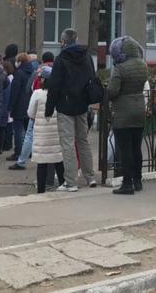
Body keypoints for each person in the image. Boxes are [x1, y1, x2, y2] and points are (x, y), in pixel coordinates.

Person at [46, 28, 97, 190]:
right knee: (83, 141)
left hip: (65, 105)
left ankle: (71, 181)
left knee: (67, 143)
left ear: (63, 41)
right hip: (82, 105)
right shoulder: (87, 57)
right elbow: (92, 77)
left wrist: (49, 109)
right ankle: (90, 177)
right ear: (76, 39)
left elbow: (54, 85)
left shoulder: (61, 59)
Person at [107, 36, 149, 195]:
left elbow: (112, 91)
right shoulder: (143, 65)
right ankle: (137, 181)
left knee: (125, 150)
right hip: (139, 109)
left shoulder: (120, 68)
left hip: (123, 112)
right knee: (136, 148)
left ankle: (127, 183)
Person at [11, 52, 55, 172]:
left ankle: (21, 161)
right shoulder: (58, 70)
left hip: (38, 107)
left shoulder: (38, 72)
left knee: (30, 135)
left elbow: (28, 88)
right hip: (54, 109)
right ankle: (53, 164)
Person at [28, 71, 64, 193]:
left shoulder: (37, 94)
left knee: (42, 162)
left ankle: (41, 190)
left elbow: (30, 113)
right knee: (58, 160)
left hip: (41, 133)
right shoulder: (59, 93)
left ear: (43, 80)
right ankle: (63, 185)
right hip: (56, 131)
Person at [7, 53, 35, 162]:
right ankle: (29, 151)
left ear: (19, 62)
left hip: (19, 106)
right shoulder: (33, 72)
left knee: (18, 131)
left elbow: (15, 91)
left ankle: (18, 152)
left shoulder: (19, 73)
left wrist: (10, 106)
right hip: (30, 105)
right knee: (29, 132)